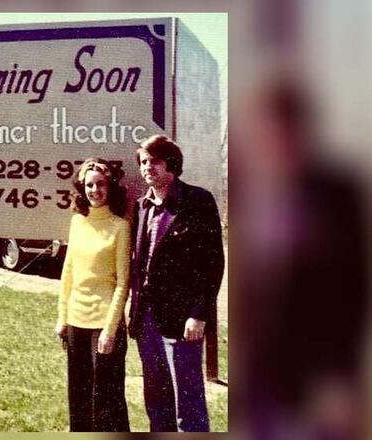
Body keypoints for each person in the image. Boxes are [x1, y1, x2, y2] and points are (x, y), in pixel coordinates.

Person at [127, 135, 225, 432]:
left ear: (172, 163)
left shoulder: (198, 201)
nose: (147, 168)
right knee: (156, 399)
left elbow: (213, 265)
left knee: (188, 401)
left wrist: (199, 313)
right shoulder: (142, 206)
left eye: (154, 161)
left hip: (182, 321)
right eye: (143, 162)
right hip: (146, 320)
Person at [55, 158, 131, 432]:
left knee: (107, 401)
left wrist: (110, 331)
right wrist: (62, 318)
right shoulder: (77, 223)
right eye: (89, 185)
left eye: (100, 184)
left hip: (104, 325)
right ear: (81, 188)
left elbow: (123, 283)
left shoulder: (120, 227)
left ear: (110, 187)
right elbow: (68, 273)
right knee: (79, 396)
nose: (95, 190)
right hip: (76, 322)